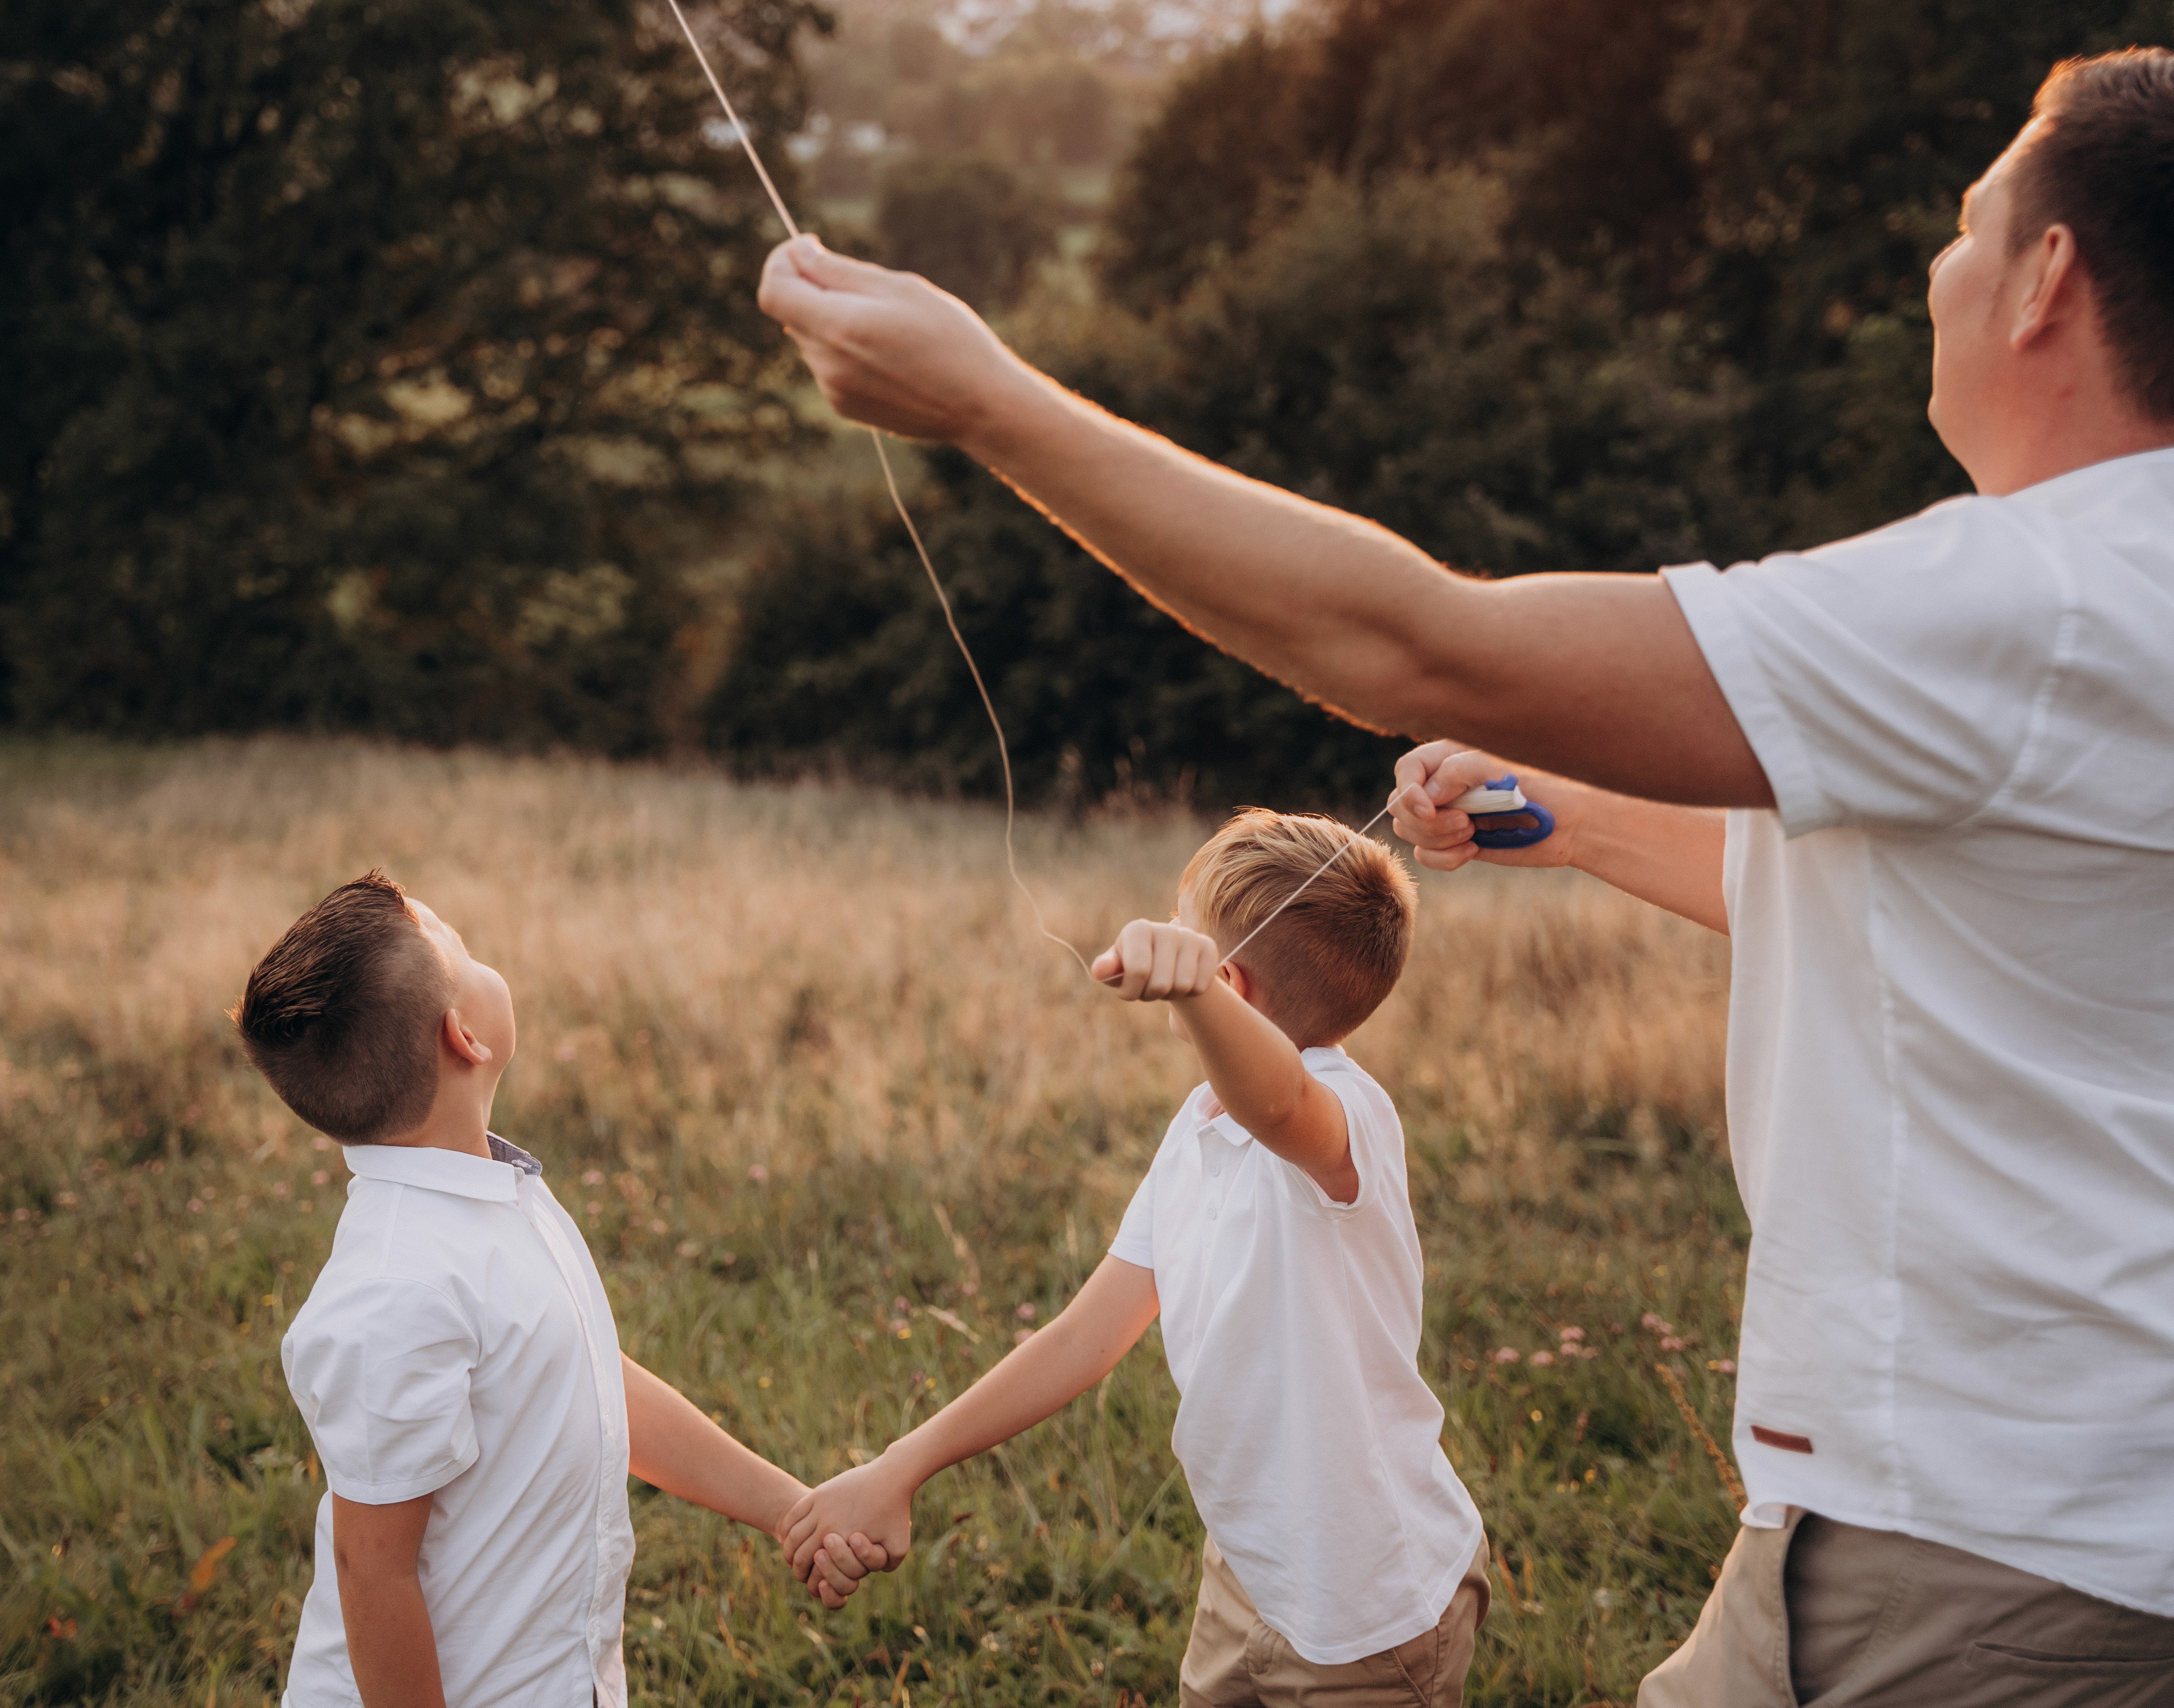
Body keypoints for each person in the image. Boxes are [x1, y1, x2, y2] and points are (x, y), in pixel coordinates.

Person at [755, 44, 2174, 1708]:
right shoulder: (2101, 614)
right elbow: (1875, 910)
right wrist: (1565, 817)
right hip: (1994, 1510)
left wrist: (982, 401)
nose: (1937, 265)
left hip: (1979, 1548)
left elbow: (1411, 636)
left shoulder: (2030, 599)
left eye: (1965, 225)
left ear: (2047, 281)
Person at [781, 810, 1491, 1708]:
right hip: (1249, 1572)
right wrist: (900, 1465)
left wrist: (1197, 996)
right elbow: (1087, 1334)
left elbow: (1281, 1103)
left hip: (1372, 1616)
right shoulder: (1198, 1124)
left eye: (1180, 929)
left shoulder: (1346, 1122)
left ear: (1226, 981)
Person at [234, 872, 879, 1708]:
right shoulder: (393, 1289)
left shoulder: (487, 1192)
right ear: (464, 1035)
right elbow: (373, 1571)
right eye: (459, 947)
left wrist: (790, 1507)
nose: (477, 951)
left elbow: (583, 1381)